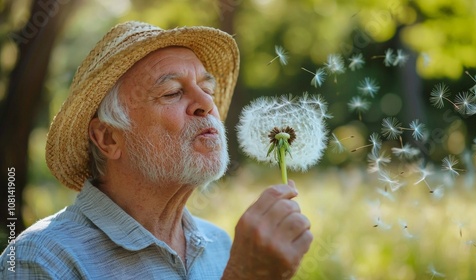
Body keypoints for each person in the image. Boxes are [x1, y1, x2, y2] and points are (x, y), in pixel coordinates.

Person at [0, 21, 312, 279]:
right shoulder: (40, 260)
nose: (207, 105)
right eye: (172, 92)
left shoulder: (220, 244)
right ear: (108, 138)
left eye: (207, 89)